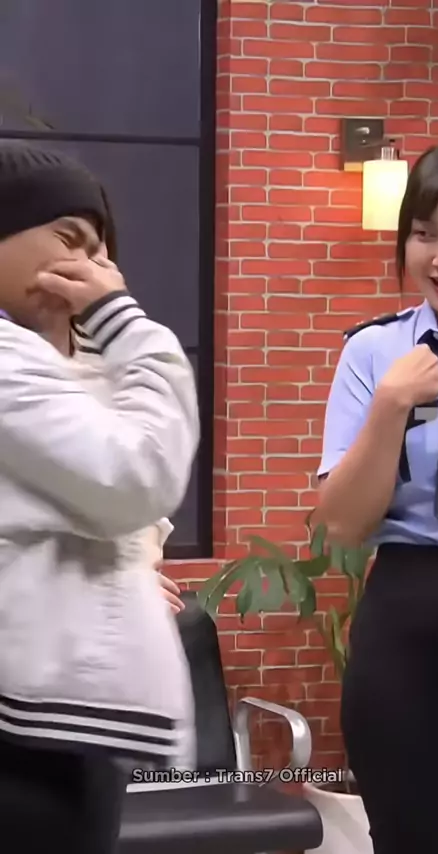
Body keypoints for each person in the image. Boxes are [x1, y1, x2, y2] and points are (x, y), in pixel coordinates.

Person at [0, 142, 199, 852]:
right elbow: (139, 476)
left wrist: (128, 569)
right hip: (28, 735)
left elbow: (126, 504)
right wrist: (126, 322)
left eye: (103, 252)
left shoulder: (42, 358)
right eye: (71, 239)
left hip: (56, 727)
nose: (97, 269)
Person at [316, 142, 438, 854]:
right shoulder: (374, 354)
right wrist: (389, 407)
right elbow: (343, 526)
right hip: (409, 636)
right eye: (423, 234)